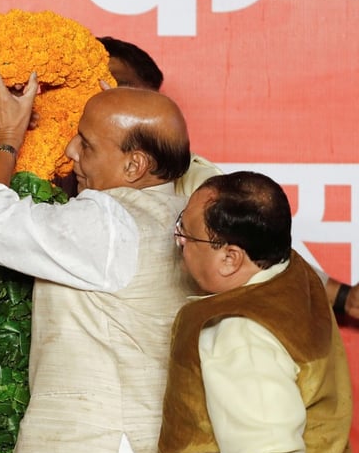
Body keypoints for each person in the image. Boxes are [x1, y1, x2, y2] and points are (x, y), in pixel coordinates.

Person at [0, 55, 196, 453]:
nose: (70, 153)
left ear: (134, 166)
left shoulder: (108, 222)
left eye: (86, 144)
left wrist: (6, 137)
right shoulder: (186, 215)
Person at [159, 171, 359, 453]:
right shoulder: (293, 273)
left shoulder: (240, 331)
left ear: (231, 257)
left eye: (187, 232)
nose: (178, 240)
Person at [99, 35, 359, 318]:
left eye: (137, 97)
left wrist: (342, 297)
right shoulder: (48, 166)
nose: (117, 102)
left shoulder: (190, 178)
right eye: (109, 89)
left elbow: (256, 254)